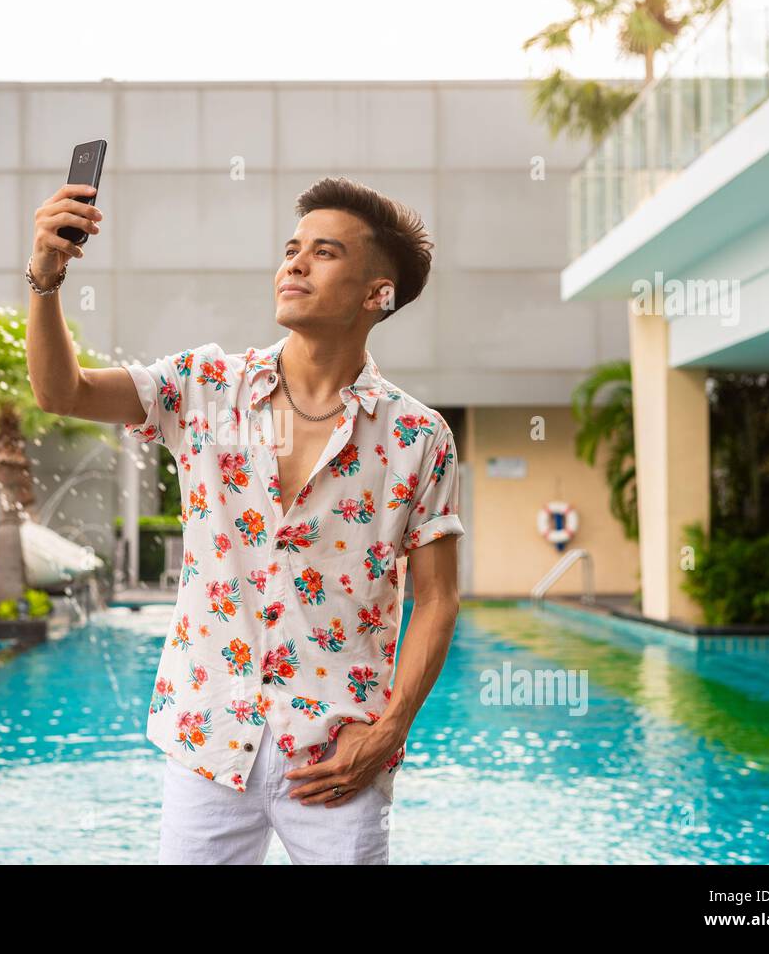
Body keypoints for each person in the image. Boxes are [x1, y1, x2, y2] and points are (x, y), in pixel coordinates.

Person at [26, 175, 463, 864]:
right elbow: (63, 390)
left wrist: (389, 729)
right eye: (293, 248)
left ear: (379, 293)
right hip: (209, 743)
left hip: (336, 759)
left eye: (325, 253)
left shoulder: (419, 437)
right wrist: (45, 281)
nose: (294, 262)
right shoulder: (204, 387)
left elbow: (438, 597)